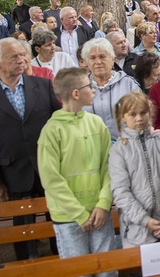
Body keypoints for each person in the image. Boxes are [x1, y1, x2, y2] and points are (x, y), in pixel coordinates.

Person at [0, 37, 61, 260]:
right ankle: (27, 263)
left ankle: (61, 260)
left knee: (58, 221)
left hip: (49, 167)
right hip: (14, 172)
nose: (21, 60)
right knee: (22, 229)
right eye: (14, 57)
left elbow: (60, 123)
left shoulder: (42, 86)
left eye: (23, 55)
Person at [37, 68, 116, 273]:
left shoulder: (96, 124)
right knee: (79, 271)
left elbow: (109, 166)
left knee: (107, 270)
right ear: (75, 93)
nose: (93, 89)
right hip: (69, 219)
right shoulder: (51, 131)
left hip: (100, 214)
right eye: (89, 86)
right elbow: (51, 180)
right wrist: (79, 214)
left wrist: (104, 203)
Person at [109, 92, 160, 247]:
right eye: (132, 114)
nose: (139, 118)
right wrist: (145, 220)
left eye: (143, 113)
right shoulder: (119, 150)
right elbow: (120, 191)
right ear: (123, 117)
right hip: (137, 230)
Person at [83, 38, 141, 139]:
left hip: (125, 147)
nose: (98, 62)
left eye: (102, 57)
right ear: (87, 62)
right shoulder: (80, 87)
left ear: (112, 59)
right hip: (91, 148)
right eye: (92, 58)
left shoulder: (128, 83)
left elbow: (141, 115)